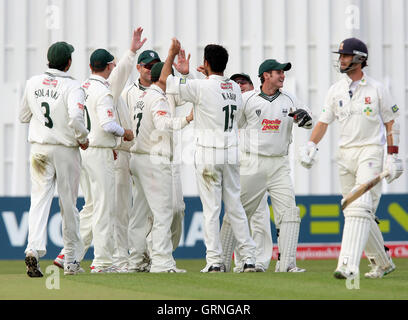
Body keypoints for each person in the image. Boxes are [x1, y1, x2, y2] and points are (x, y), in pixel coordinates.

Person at [299, 37, 403, 279]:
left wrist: (394, 156)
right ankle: (383, 262)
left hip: (370, 151)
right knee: (354, 210)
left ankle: (347, 265)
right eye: (341, 56)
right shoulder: (335, 90)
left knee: (360, 207)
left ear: (359, 59)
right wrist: (311, 145)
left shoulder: (377, 88)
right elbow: (324, 121)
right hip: (344, 155)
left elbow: (391, 123)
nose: (341, 60)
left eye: (345, 56)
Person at [165, 40, 257, 273]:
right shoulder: (235, 88)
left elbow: (167, 80)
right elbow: (213, 87)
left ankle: (215, 261)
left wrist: (173, 58)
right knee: (235, 206)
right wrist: (201, 74)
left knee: (212, 210)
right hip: (231, 152)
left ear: (205, 63)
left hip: (208, 153)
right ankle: (248, 259)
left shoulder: (201, 87)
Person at [221, 60, 311, 273]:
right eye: (278, 72)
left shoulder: (289, 98)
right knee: (238, 211)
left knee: (289, 212)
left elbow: (308, 121)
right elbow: (232, 125)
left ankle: (287, 264)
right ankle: (222, 262)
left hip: (279, 163)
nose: (282, 75)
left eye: (283, 72)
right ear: (265, 75)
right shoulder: (247, 99)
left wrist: (304, 119)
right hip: (252, 161)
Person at [75, 28, 145, 273]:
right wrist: (123, 133)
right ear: (106, 67)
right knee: (105, 208)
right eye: (112, 66)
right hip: (100, 151)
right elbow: (107, 124)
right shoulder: (104, 89)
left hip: (83, 151)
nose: (115, 70)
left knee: (92, 206)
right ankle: (102, 262)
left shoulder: (80, 88)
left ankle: (71, 257)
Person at [19, 41, 89, 277]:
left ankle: (33, 250)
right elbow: (76, 117)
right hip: (64, 149)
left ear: (48, 60)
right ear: (68, 62)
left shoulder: (32, 83)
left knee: (39, 201)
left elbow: (23, 115)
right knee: (68, 205)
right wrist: (83, 138)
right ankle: (70, 261)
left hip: (38, 147)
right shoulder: (73, 86)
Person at [128, 39, 193, 273]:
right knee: (163, 212)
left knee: (141, 214)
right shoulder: (157, 97)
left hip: (140, 157)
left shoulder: (148, 95)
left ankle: (136, 260)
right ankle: (162, 262)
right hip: (154, 159)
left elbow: (190, 94)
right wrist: (186, 120)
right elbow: (163, 123)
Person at [220, 72, 273, 273]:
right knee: (236, 212)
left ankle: (259, 261)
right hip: (235, 165)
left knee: (259, 213)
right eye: (236, 84)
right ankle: (241, 260)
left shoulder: (261, 104)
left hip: (256, 164)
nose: (240, 86)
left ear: (252, 86)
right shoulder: (230, 108)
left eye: (244, 83)